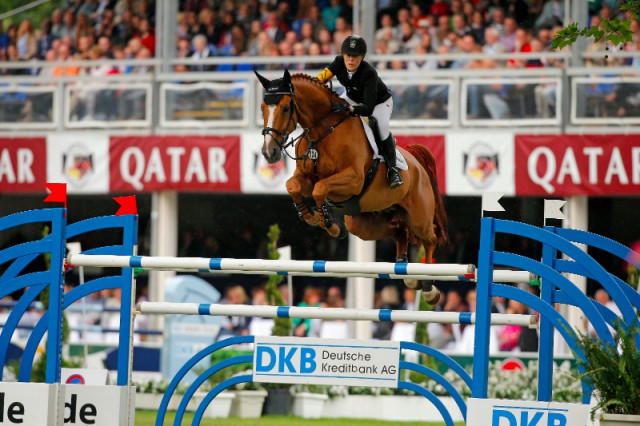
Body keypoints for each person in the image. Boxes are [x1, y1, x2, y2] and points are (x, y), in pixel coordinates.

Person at [315, 34, 404, 188]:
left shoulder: (369, 73)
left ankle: (393, 169)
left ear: (362, 57)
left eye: (355, 56)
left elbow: (368, 107)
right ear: (343, 55)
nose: (351, 59)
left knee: (381, 128)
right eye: (348, 55)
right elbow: (319, 80)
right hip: (352, 97)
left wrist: (349, 108)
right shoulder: (338, 62)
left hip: (379, 103)